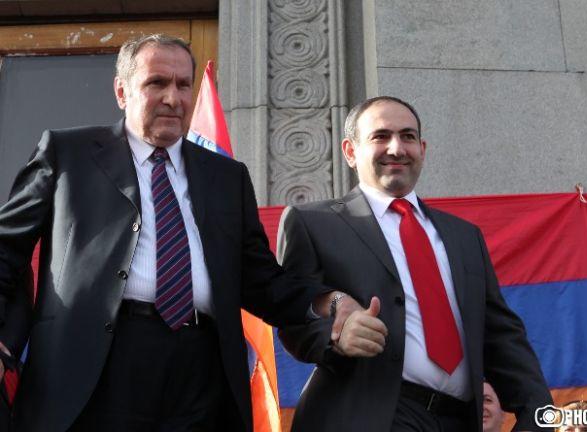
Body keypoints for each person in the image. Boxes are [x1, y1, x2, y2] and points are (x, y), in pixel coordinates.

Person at [0, 34, 361, 432]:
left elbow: (261, 279)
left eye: (183, 85)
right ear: (122, 91)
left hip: (200, 374)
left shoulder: (227, 177)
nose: (173, 98)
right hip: (94, 363)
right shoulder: (68, 153)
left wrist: (329, 301)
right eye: (157, 83)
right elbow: (6, 248)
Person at [277, 96, 553, 431]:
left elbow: (500, 335)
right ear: (350, 151)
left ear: (422, 149)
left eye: (407, 136)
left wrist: (539, 415)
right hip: (370, 416)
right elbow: (293, 317)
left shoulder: (465, 237)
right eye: (380, 136)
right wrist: (336, 335)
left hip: (459, 420)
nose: (397, 149)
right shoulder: (313, 223)